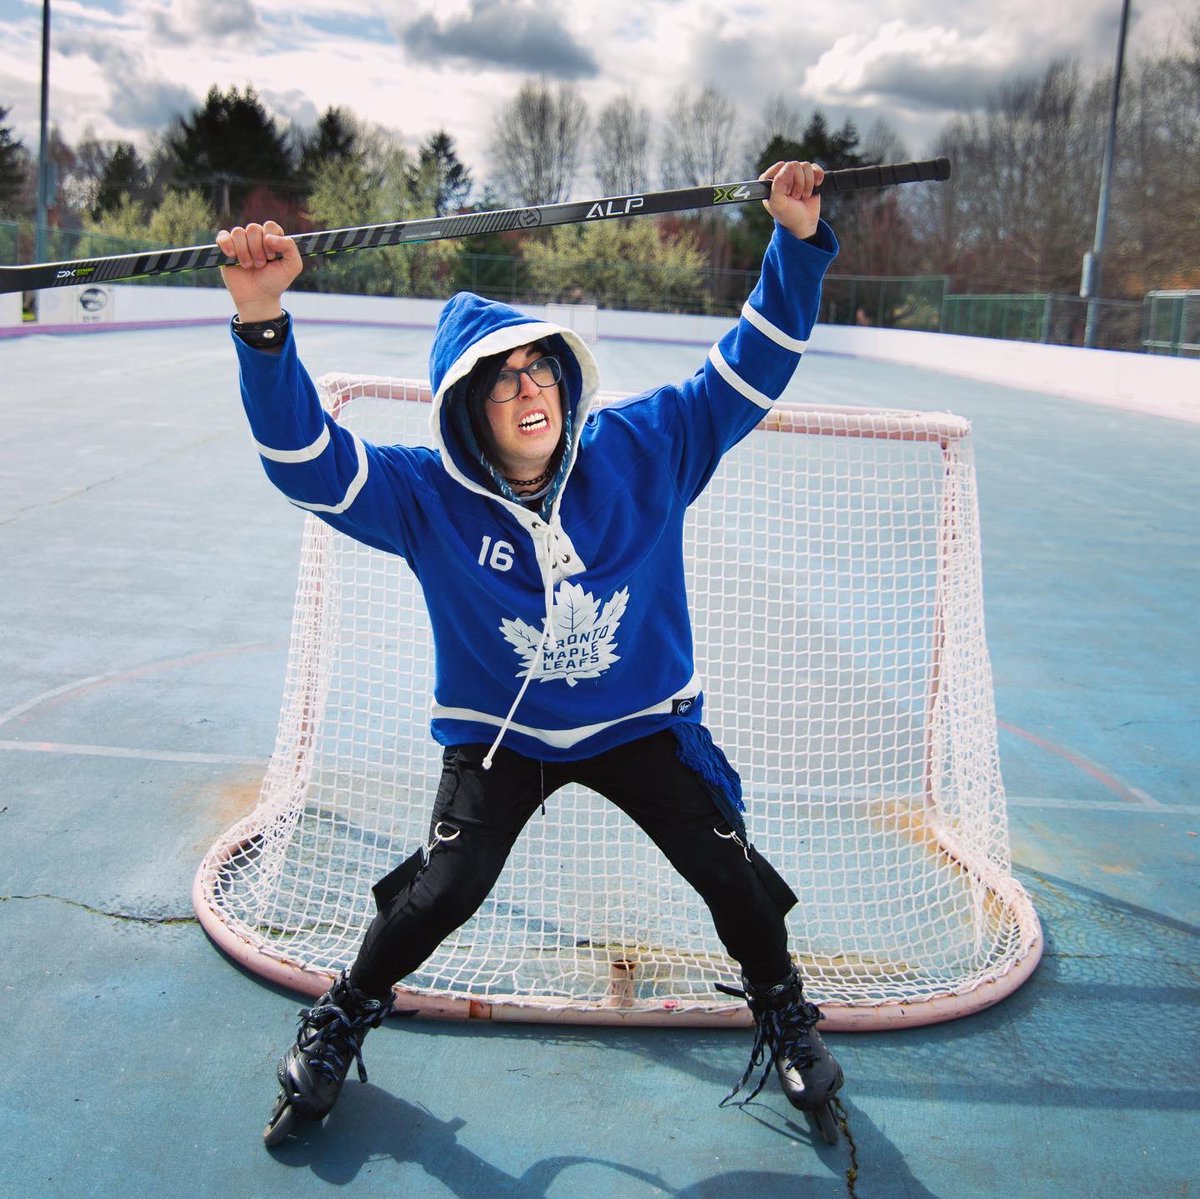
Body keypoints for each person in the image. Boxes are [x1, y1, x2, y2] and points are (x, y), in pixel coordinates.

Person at [217, 160, 845, 1146]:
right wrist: (262, 323)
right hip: (501, 737)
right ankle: (344, 1010)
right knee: (448, 885)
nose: (529, 386)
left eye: (540, 366)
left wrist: (797, 241)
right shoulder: (427, 497)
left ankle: (783, 1008)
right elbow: (306, 465)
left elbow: (753, 363)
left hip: (642, 724)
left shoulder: (649, 443)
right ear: (469, 406)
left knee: (728, 867)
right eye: (504, 378)